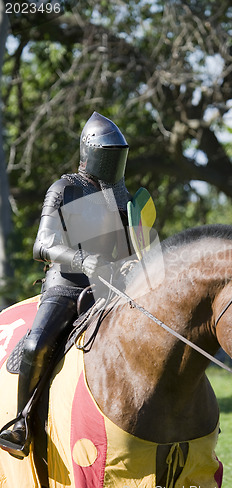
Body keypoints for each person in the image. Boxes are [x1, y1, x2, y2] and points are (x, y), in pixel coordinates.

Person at [0, 112, 133, 459]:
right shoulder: (64, 189)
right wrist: (81, 259)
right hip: (67, 286)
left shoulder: (122, 197)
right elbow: (41, 245)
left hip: (109, 289)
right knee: (35, 346)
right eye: (109, 153)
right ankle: (21, 423)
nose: (114, 161)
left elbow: (135, 248)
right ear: (91, 152)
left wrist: (135, 262)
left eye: (119, 154)